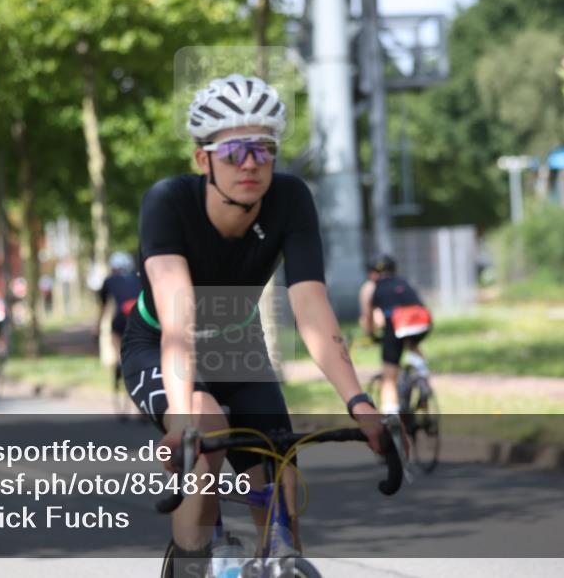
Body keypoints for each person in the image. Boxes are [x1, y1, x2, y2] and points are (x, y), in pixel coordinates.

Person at [120, 74, 385, 576]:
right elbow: (178, 313)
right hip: (161, 343)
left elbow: (311, 306)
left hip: (238, 344)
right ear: (204, 160)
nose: (250, 164)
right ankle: (195, 558)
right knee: (206, 428)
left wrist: (360, 403)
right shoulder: (168, 202)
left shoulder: (290, 199)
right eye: (235, 151)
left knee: (282, 477)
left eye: (263, 150)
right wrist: (180, 419)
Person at [358, 254, 433, 415]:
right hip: (422, 321)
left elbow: (368, 318)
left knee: (389, 376)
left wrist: (371, 335)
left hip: (397, 325)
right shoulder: (404, 281)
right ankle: (422, 376)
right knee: (412, 343)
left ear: (372, 273)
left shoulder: (370, 287)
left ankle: (391, 413)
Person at [94, 252, 141, 417]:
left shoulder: (109, 281)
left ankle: (120, 364)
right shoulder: (139, 278)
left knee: (116, 339)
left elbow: (103, 306)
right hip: (138, 317)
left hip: (120, 319)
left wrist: (97, 327)